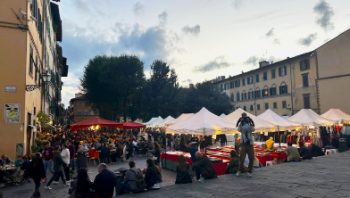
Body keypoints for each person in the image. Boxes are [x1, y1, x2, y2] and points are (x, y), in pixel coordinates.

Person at [236, 113, 255, 177]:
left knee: (251, 158)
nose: (244, 118)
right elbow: (238, 129)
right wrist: (240, 123)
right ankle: (239, 170)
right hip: (243, 143)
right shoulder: (242, 124)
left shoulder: (249, 123)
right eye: (243, 117)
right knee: (242, 158)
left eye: (245, 117)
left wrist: (250, 122)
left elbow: (253, 129)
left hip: (250, 143)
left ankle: (249, 171)